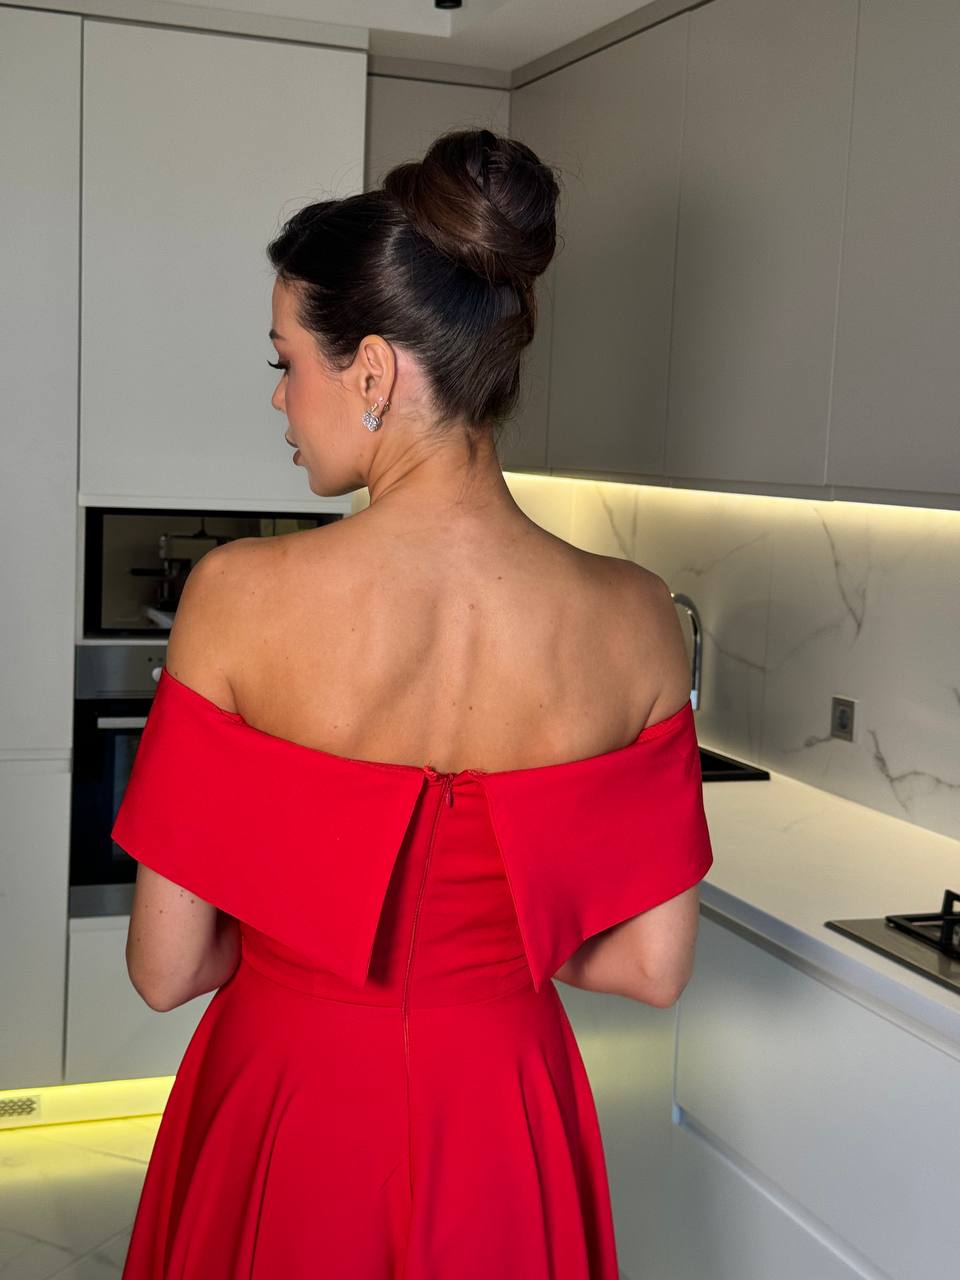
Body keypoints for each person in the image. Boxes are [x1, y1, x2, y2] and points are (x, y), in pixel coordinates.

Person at [113, 126, 714, 1279]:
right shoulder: (638, 617)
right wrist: (485, 958)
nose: (284, 400)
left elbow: (166, 966)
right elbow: (651, 965)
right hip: (505, 1101)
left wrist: (310, 933)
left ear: (376, 371)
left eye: (288, 361)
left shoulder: (237, 598)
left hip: (290, 1095)